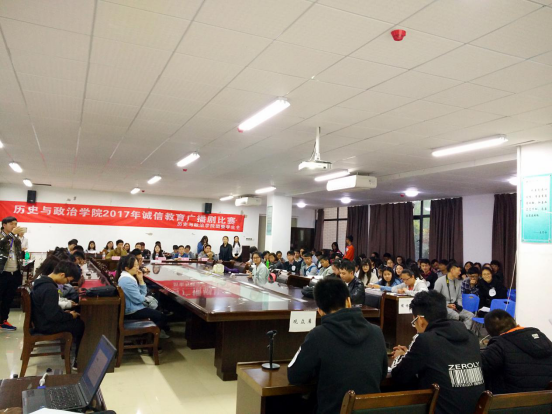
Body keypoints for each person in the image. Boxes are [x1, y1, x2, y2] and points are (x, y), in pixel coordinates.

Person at [288, 278, 388, 414]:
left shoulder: (318, 335)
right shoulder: (376, 332)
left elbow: (294, 376)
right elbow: (382, 374)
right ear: (348, 301)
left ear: (320, 311)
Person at [391, 291, 484, 414]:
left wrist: (399, 357)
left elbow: (399, 376)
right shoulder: (471, 337)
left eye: (414, 323)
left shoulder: (425, 340)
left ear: (420, 320)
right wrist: (411, 354)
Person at [481, 309, 552, 394]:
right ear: (514, 322)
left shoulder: (498, 346)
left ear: (490, 332)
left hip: (510, 400)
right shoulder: (543, 338)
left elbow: (478, 371)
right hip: (545, 399)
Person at [31, 261, 85, 361]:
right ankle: (79, 359)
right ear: (62, 274)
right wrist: (70, 316)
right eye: (67, 280)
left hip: (41, 320)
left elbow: (51, 310)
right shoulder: (50, 289)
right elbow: (53, 316)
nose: (66, 283)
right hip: (46, 326)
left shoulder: (42, 282)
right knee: (79, 325)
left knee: (73, 315)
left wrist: (65, 314)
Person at [116, 255, 169, 338]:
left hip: (135, 307)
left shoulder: (128, 277)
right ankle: (150, 337)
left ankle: (154, 333)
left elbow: (141, 295)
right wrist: (147, 299)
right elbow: (139, 299)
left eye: (137, 265)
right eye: (135, 266)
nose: (138, 267)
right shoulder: (126, 281)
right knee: (162, 317)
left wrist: (141, 280)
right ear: (127, 268)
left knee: (158, 308)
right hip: (132, 311)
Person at [434, 261, 474, 329]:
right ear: (452, 270)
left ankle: (464, 333)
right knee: (455, 315)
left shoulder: (458, 282)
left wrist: (459, 306)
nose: (460, 273)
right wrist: (447, 305)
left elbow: (459, 297)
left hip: (455, 307)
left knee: (470, 315)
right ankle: (455, 333)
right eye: (459, 270)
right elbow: (435, 299)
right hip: (443, 307)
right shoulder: (440, 281)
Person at [0, 216, 24, 330]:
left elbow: (19, 253)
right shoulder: (2, 237)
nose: (14, 226)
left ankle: (3, 320)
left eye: (15, 224)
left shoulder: (16, 239)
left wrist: (18, 236)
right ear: (4, 225)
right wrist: (11, 235)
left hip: (14, 272)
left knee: (8, 299)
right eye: (11, 224)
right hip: (2, 272)